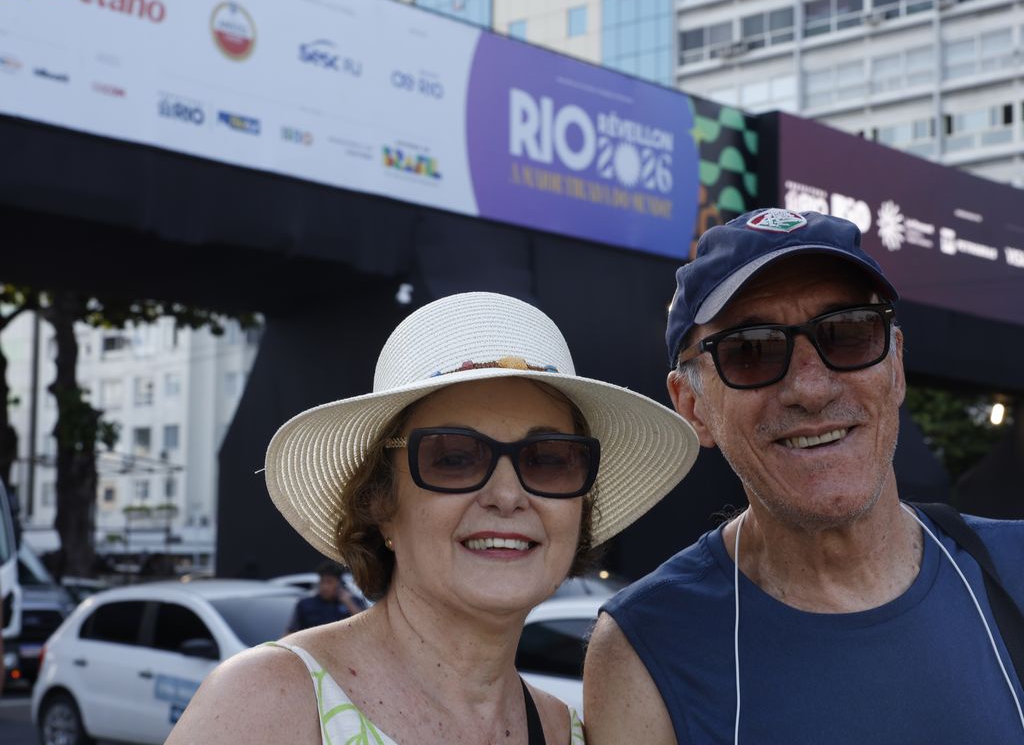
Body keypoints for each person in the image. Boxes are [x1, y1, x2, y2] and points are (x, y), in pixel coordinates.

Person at [167, 291, 698, 744]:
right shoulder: (268, 705)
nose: (508, 495)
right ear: (380, 502)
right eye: (453, 457)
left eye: (550, 460)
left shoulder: (568, 732)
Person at [584, 209, 1024, 744]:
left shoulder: (1013, 571)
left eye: (848, 335)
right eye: (752, 351)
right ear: (692, 407)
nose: (812, 389)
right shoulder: (644, 648)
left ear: (897, 366)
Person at [286, 560, 366, 633]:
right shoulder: (305, 604)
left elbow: (364, 625)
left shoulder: (352, 602)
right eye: (322, 582)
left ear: (339, 584)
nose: (325, 587)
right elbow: (291, 631)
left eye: (329, 582)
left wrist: (348, 602)